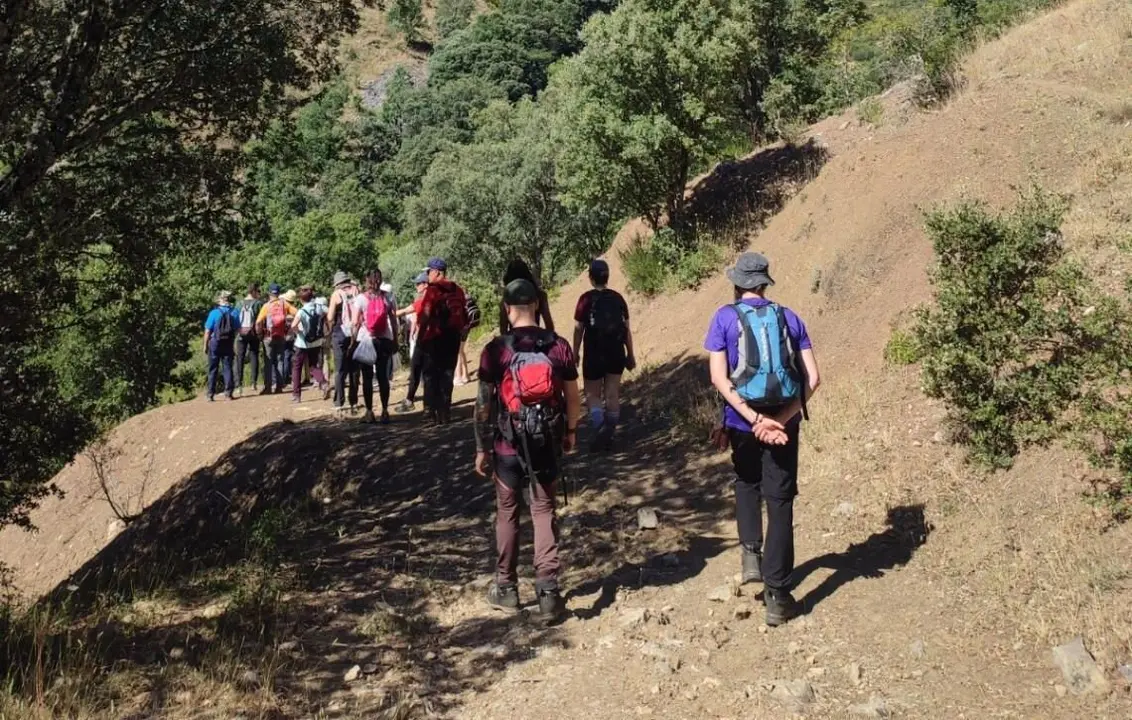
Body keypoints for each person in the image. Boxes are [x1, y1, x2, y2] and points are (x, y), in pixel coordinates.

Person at [703, 252, 821, 627]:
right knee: (781, 500)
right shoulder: (790, 318)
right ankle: (778, 595)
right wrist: (779, 421)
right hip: (784, 421)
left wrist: (753, 419)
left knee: (747, 481)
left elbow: (719, 379)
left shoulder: (723, 318)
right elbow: (813, 379)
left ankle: (751, 555)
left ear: (737, 284)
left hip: (741, 423)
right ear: (765, 284)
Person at [475, 278, 580, 623]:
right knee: (543, 509)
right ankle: (548, 592)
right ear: (537, 305)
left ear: (507, 309)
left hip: (507, 444)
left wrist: (482, 447)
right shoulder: (558, 346)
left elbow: (483, 406)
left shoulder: (495, 350)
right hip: (546, 440)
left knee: (507, 512)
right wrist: (570, 431)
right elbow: (573, 397)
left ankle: (506, 588)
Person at [573, 259, 636, 451]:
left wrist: (575, 353)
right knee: (612, 393)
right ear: (607, 277)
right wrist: (630, 354)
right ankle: (608, 433)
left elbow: (578, 329)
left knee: (592, 395)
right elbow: (626, 330)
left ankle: (601, 430)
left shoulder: (585, 299)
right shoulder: (618, 298)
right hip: (616, 352)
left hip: (593, 353)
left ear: (591, 278)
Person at [416, 258, 468, 424]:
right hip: (453, 336)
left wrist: (420, 337)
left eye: (428, 271)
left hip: (435, 337)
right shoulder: (457, 289)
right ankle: (445, 412)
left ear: (437, 272)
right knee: (448, 374)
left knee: (431, 375)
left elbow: (424, 316)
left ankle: (430, 413)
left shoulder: (433, 291)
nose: (427, 275)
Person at [352, 270, 399, 424]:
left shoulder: (360, 299)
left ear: (367, 281)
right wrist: (395, 340)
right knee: (382, 377)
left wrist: (353, 342)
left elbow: (354, 323)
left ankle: (369, 412)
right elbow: (393, 321)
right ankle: (385, 411)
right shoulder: (388, 297)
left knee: (367, 378)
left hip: (366, 340)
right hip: (384, 340)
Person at [395, 271, 429, 413]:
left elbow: (403, 312)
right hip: (435, 340)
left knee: (416, 370)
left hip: (424, 340)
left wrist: (387, 311)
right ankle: (432, 406)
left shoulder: (422, 301)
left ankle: (411, 401)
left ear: (425, 285)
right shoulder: (432, 299)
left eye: (418, 284)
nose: (416, 286)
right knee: (428, 373)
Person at [289, 286, 331, 403]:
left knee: (297, 367)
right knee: (313, 365)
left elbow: (293, 326)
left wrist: (299, 333)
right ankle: (323, 383)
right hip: (317, 341)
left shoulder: (301, 311)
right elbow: (330, 313)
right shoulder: (320, 307)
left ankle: (296, 395)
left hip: (303, 343)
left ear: (301, 300)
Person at [327, 271, 360, 412]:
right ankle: (353, 400)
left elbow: (330, 316)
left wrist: (329, 331)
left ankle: (339, 401)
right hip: (355, 332)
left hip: (339, 332)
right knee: (354, 368)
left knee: (340, 369)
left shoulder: (336, 294)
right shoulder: (356, 291)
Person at [256, 283, 297, 394]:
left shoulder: (266, 306)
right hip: (281, 336)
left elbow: (258, 321)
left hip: (268, 337)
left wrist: (259, 333)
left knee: (268, 362)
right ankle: (279, 387)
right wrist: (290, 328)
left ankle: (268, 387)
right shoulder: (284, 304)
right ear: (279, 293)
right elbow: (298, 313)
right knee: (280, 361)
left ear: (269, 293)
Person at [498, 258, 555, 335]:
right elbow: (549, 325)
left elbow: (503, 329)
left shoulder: (506, 301)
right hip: (536, 338)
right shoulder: (540, 295)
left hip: (514, 341)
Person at [203, 290, 241, 401]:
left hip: (215, 342)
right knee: (227, 367)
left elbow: (207, 331)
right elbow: (238, 329)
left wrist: (205, 345)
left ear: (220, 300)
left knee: (213, 368)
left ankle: (210, 394)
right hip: (228, 343)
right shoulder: (235, 312)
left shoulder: (214, 313)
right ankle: (228, 393)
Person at [234, 283, 264, 397]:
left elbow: (235, 318)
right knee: (254, 356)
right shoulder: (258, 304)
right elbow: (261, 319)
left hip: (241, 334)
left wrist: (237, 331)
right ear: (254, 291)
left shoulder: (239, 303)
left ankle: (239, 385)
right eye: (258, 291)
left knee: (239, 358)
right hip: (254, 333)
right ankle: (253, 383)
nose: (259, 294)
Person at [281, 289, 298, 386]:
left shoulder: (282, 308)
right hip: (290, 336)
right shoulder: (293, 309)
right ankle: (288, 377)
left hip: (282, 335)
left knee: (284, 357)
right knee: (288, 357)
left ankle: (284, 378)